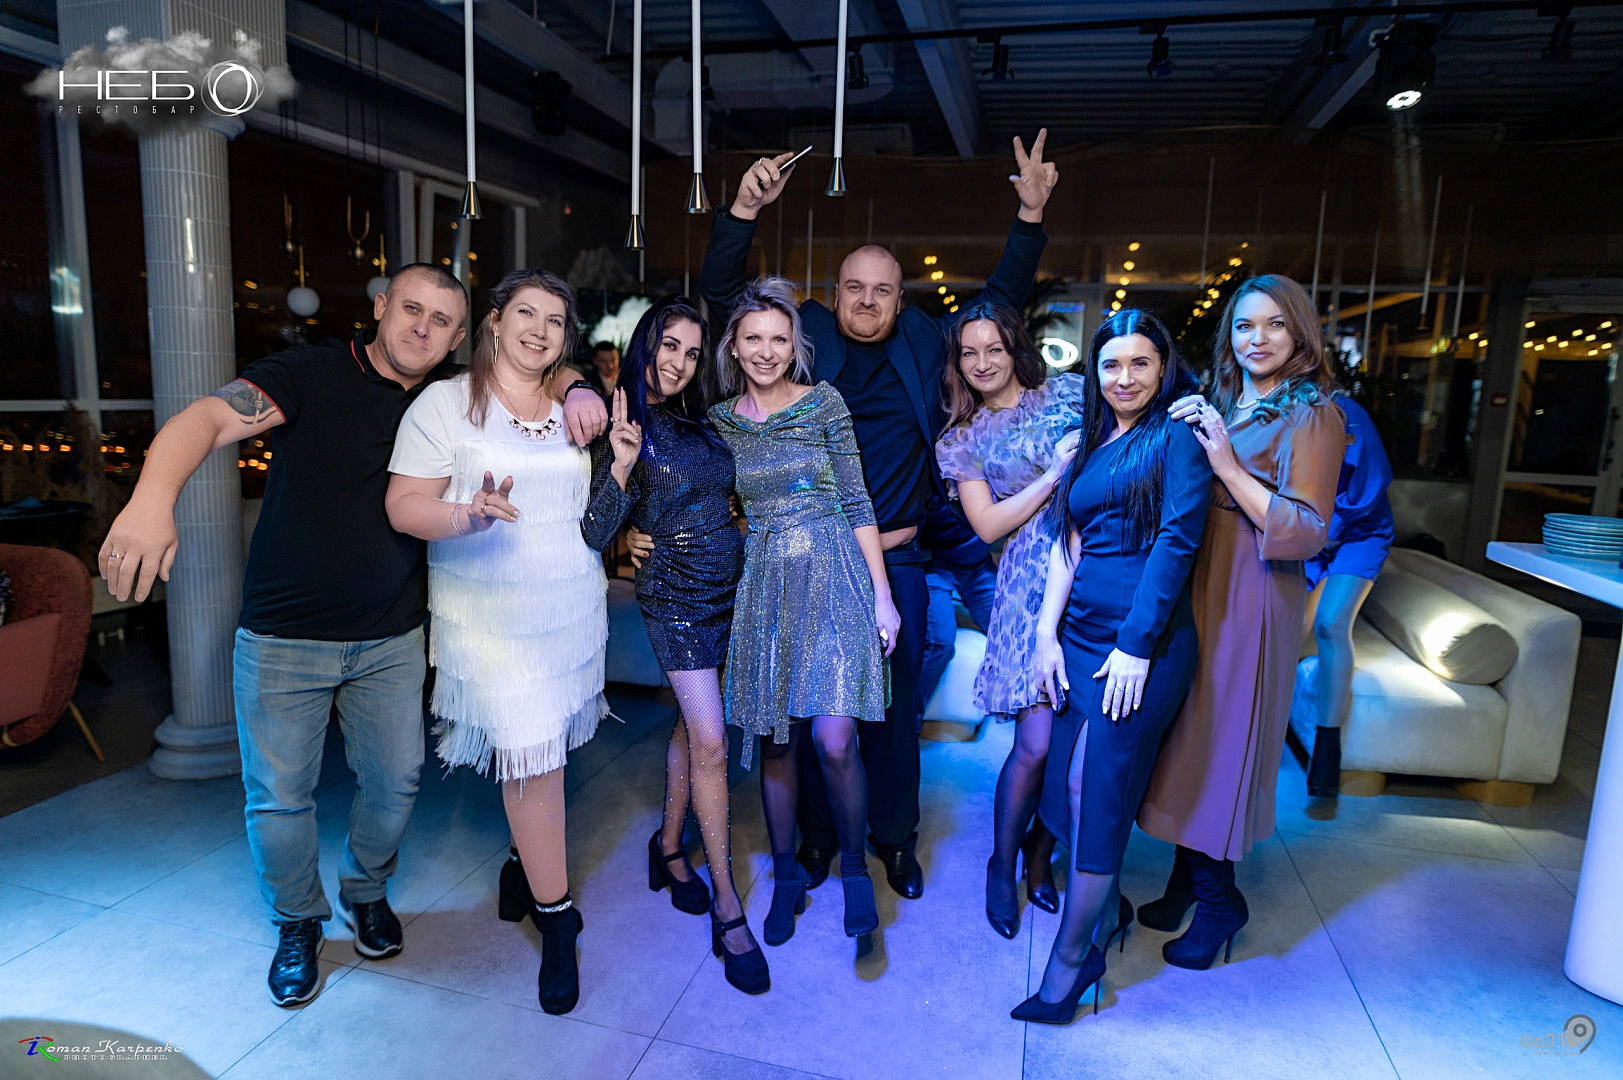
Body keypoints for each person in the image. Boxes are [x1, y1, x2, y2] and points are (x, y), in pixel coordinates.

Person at [699, 131, 1058, 901]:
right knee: (812, 713)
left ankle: (893, 840)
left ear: (900, 299)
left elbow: (996, 305)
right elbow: (727, 298)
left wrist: (1029, 217)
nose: (867, 301)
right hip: (805, 558)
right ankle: (822, 839)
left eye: (883, 290)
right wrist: (742, 211)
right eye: (854, 288)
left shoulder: (925, 341)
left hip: (894, 557)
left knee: (890, 715)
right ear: (834, 294)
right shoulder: (803, 336)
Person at [97, 263, 469, 1007]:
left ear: (457, 338)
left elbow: (541, 378)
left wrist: (580, 391)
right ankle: (297, 920)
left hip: (391, 636)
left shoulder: (450, 397)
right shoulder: (311, 371)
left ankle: (366, 890)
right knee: (278, 798)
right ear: (380, 306)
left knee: (396, 781)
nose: (421, 328)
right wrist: (151, 499)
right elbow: (207, 419)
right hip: (283, 639)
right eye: (411, 308)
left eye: (441, 320)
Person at [384, 268, 617, 1017]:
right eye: (526, 314)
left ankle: (521, 865)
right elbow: (402, 505)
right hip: (488, 617)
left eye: (555, 320)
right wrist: (469, 515)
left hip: (567, 609)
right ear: (494, 321)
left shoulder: (571, 404)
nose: (539, 331)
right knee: (531, 758)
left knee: (545, 755)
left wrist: (587, 398)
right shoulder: (445, 403)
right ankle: (558, 919)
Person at [1135, 275, 1347, 971]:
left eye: (1274, 325)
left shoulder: (1313, 413)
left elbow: (1307, 529)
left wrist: (1226, 465)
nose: (1257, 339)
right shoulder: (1227, 398)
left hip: (1251, 588)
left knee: (1220, 739)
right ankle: (1184, 880)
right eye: (1244, 326)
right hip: (1201, 574)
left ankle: (1219, 900)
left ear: (1300, 332)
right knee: (1186, 732)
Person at [1014, 309, 1211, 1024]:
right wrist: (1045, 634)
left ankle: (1071, 963)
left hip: (1139, 647)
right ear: (1094, 372)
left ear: (1163, 368)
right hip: (1078, 637)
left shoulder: (1175, 437)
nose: (1124, 378)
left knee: (1091, 788)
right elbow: (1069, 541)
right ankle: (1102, 918)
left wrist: (1136, 645)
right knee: (1070, 789)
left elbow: (1176, 543)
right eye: (1111, 364)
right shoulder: (1094, 439)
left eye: (1139, 363)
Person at [579, 296, 768, 995]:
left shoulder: (702, 417)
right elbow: (595, 532)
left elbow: (723, 497)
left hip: (730, 591)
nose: (679, 362)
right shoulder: (620, 417)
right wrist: (622, 467)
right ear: (644, 342)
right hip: (675, 600)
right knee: (713, 739)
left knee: (694, 728)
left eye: (691, 351)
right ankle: (727, 903)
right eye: (668, 345)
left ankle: (666, 847)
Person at [707, 278, 897, 960]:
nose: (766, 350)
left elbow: (857, 498)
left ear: (795, 347)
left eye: (778, 339)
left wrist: (882, 595)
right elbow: (705, 502)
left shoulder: (824, 402)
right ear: (734, 347)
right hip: (765, 586)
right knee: (777, 743)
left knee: (835, 740)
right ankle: (786, 876)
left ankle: (854, 871)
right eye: (752, 338)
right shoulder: (721, 422)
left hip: (835, 573)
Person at [932, 301, 1086, 938]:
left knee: (1076, 744)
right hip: (1026, 582)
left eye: (992, 348)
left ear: (1015, 346)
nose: (982, 363)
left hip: (1095, 567)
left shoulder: (1072, 394)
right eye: (968, 353)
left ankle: (1039, 855)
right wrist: (1053, 475)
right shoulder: (962, 438)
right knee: (1036, 743)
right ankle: (1002, 862)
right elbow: (989, 525)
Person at [1301, 393, 1394, 798]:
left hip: (1359, 530)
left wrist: (1327, 530)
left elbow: (1372, 480)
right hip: (1307, 530)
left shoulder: (1344, 411)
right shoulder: (1270, 409)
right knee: (1286, 628)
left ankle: (1327, 745)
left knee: (1331, 623)